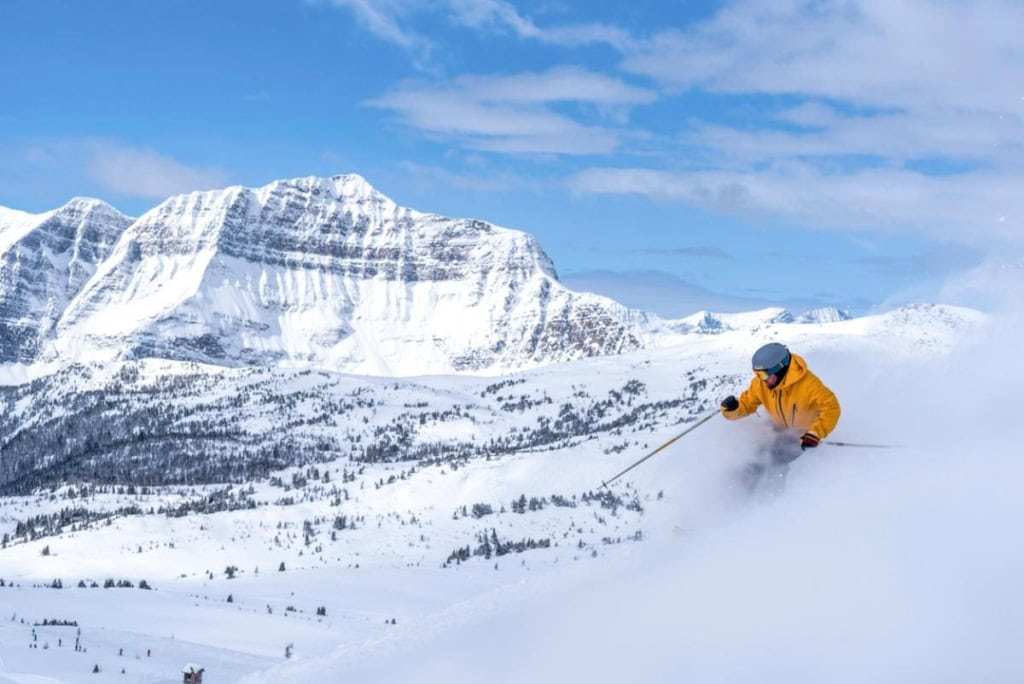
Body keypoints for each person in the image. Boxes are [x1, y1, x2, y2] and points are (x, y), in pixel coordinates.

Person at [719, 342, 841, 495]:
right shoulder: (761, 384)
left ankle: (774, 502)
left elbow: (831, 407)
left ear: (780, 369)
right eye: (757, 374)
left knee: (778, 464)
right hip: (778, 431)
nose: (760, 379)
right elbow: (747, 404)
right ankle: (736, 493)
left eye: (763, 375)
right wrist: (733, 409)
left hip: (803, 437)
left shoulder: (809, 385)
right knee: (756, 458)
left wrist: (815, 433)